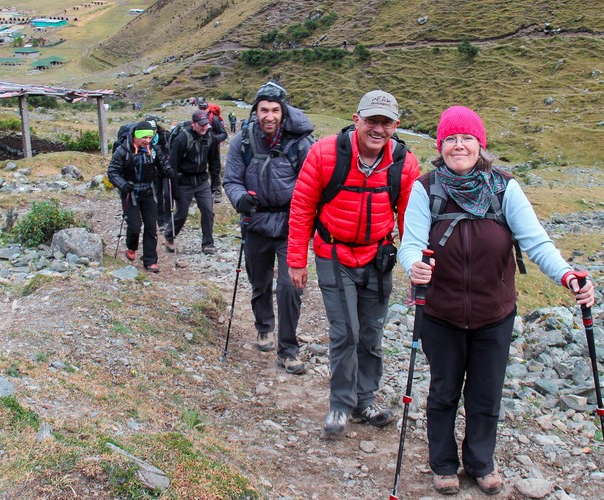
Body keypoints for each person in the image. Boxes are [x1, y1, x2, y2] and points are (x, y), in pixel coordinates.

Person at [397, 106, 595, 496]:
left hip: (494, 313)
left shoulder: (505, 188)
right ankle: (443, 463)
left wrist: (567, 275)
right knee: (443, 390)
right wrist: (415, 267)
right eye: (451, 138)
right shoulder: (426, 189)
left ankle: (481, 461)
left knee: (486, 392)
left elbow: (537, 242)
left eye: (466, 138)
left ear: (480, 144)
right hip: (440, 312)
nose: (459, 145)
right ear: (440, 146)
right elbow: (411, 245)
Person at [287, 90, 421, 439]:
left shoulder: (405, 163)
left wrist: (416, 270)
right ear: (356, 119)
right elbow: (302, 208)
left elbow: (412, 222)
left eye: (386, 122)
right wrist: (297, 261)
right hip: (333, 255)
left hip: (377, 258)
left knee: (372, 333)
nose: (378, 129)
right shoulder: (325, 153)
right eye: (372, 120)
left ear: (396, 125)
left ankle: (365, 401)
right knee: (346, 331)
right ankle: (340, 405)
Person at [223, 81, 315, 374]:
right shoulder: (243, 141)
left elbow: (313, 183)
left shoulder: (300, 142)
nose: (269, 116)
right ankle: (264, 326)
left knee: (290, 288)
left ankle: (288, 350)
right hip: (255, 223)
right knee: (259, 281)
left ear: (283, 111)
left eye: (275, 110)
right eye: (264, 110)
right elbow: (231, 179)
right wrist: (240, 200)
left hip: (292, 225)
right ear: (256, 111)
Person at [107, 121, 174, 272]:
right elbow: (112, 172)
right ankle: (131, 246)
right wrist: (123, 185)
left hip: (149, 192)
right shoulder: (123, 150)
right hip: (130, 193)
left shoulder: (154, 150)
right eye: (144, 137)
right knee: (135, 226)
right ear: (135, 136)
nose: (147, 141)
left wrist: (168, 171)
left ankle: (150, 260)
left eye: (150, 138)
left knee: (151, 227)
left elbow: (163, 166)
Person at [165, 110, 220, 255]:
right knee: (182, 213)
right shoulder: (182, 139)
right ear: (194, 124)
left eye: (206, 125)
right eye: (201, 125)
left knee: (208, 211)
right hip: (184, 181)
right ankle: (169, 236)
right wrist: (174, 188)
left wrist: (215, 183)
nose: (204, 128)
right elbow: (172, 165)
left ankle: (207, 243)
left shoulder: (210, 138)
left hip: (202, 180)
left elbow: (215, 162)